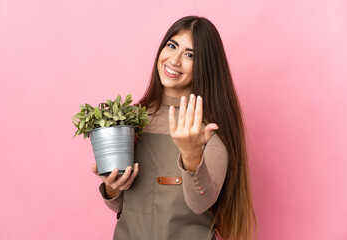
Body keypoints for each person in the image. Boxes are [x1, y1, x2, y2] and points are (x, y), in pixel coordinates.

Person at [92, 15, 257, 240]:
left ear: (205, 66)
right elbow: (126, 206)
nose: (174, 60)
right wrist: (112, 186)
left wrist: (191, 154)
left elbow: (201, 203)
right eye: (172, 46)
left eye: (190, 55)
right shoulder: (131, 120)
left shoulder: (209, 129)